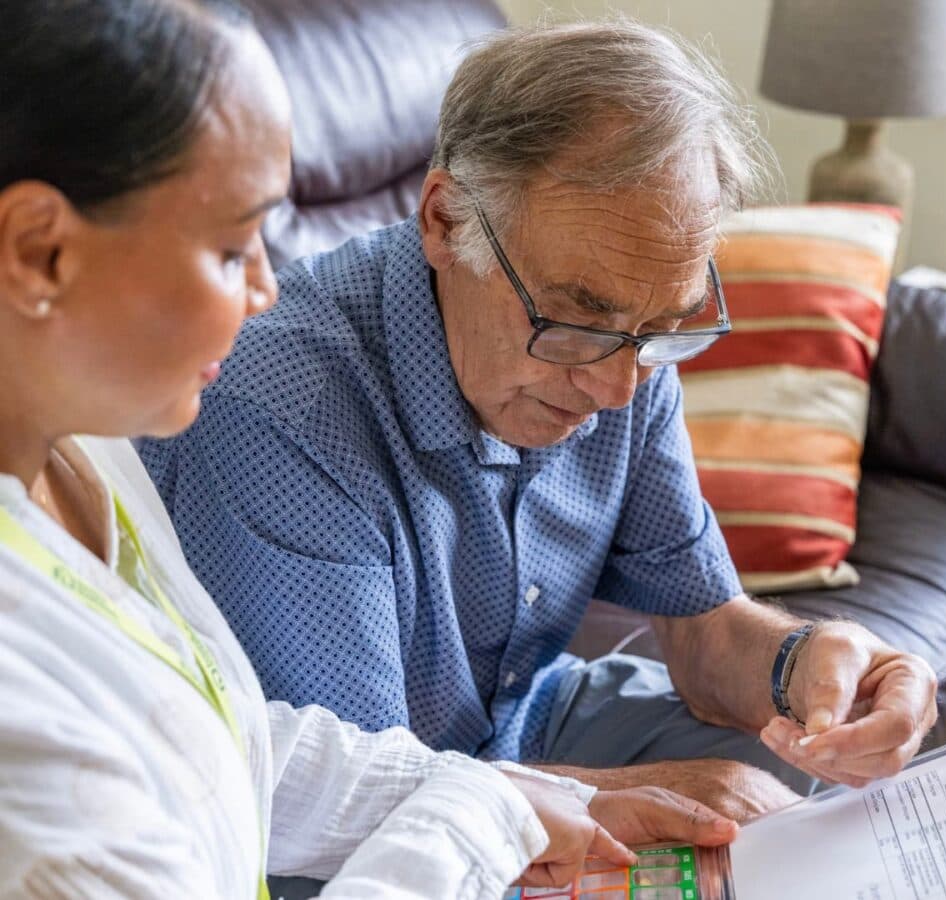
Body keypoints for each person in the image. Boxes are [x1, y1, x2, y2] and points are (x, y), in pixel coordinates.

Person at [0, 4, 749, 898]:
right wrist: (488, 817)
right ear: (38, 252)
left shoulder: (84, 451)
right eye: (235, 246)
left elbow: (231, 738)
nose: (266, 289)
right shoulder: (26, 719)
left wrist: (505, 793)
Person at [140, 21, 938, 825]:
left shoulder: (627, 343)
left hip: (524, 722)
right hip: (355, 815)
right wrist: (619, 800)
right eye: (576, 317)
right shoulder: (282, 407)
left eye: (662, 326)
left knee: (829, 781)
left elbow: (704, 635)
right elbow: (344, 804)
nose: (618, 389)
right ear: (445, 221)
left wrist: (816, 669)